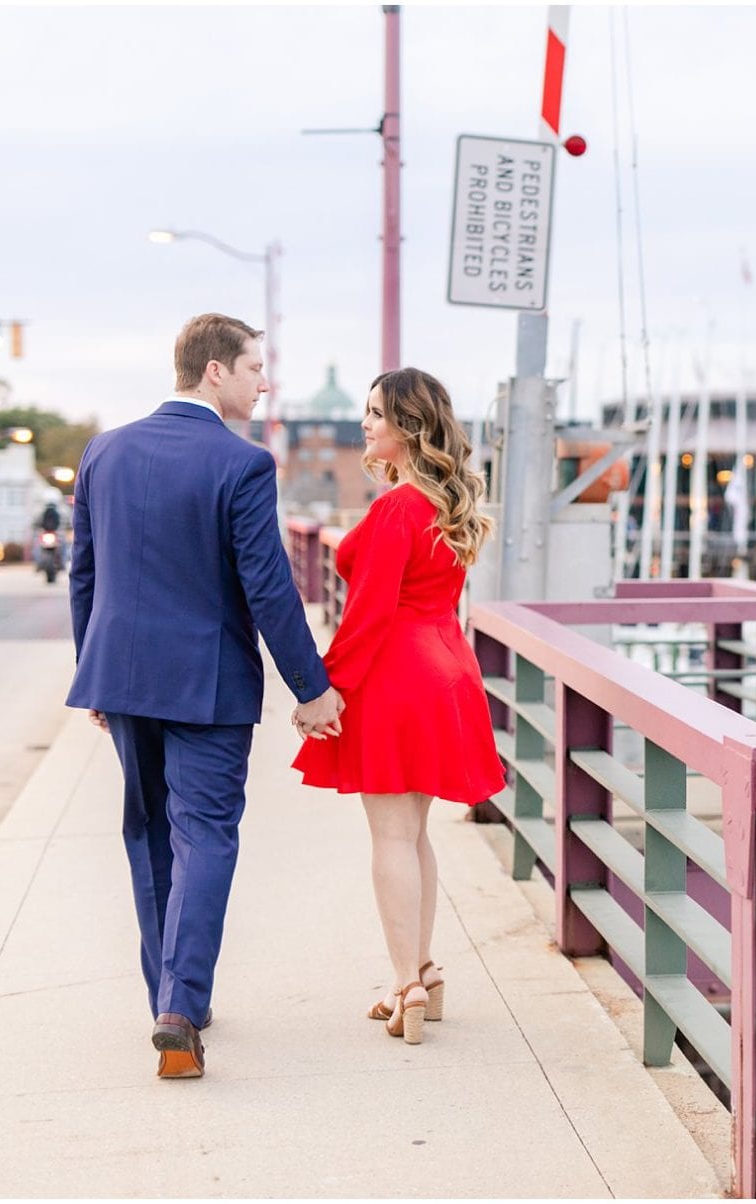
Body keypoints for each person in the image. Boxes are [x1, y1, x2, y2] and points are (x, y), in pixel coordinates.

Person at [67, 313, 344, 1079]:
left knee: (151, 832)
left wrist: (92, 665)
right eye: (255, 367)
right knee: (207, 835)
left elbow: (84, 573)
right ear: (214, 370)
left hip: (121, 675)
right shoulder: (242, 464)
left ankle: (171, 995)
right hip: (207, 684)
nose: (265, 382)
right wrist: (312, 688)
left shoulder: (105, 451)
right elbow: (269, 587)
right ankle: (181, 1009)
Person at [292, 367, 505, 1045]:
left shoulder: (396, 508)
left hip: (396, 674)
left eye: (378, 413)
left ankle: (404, 984)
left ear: (410, 427)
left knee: (390, 836)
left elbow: (368, 612)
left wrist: (324, 689)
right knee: (413, 835)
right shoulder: (443, 505)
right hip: (445, 668)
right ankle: (424, 973)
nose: (367, 424)